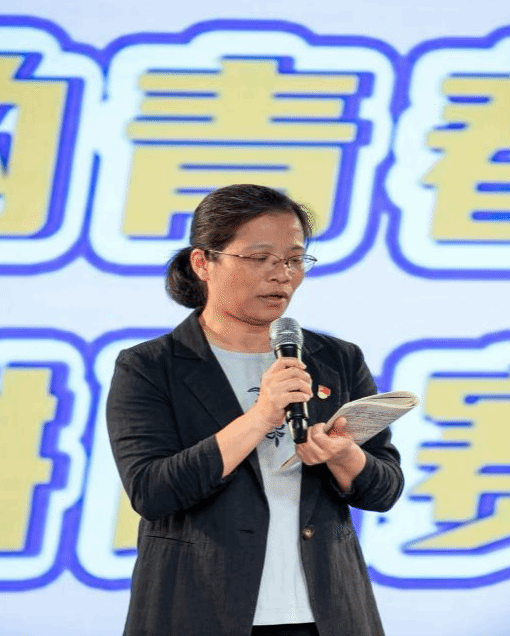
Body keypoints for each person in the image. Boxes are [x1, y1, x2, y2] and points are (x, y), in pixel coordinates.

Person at [106, 184, 404, 636]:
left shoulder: (336, 359)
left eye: (294, 259)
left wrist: (344, 455)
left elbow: (384, 490)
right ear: (203, 262)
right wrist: (260, 417)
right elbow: (152, 491)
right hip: (197, 611)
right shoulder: (150, 366)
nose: (281, 275)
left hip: (325, 615)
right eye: (259, 258)